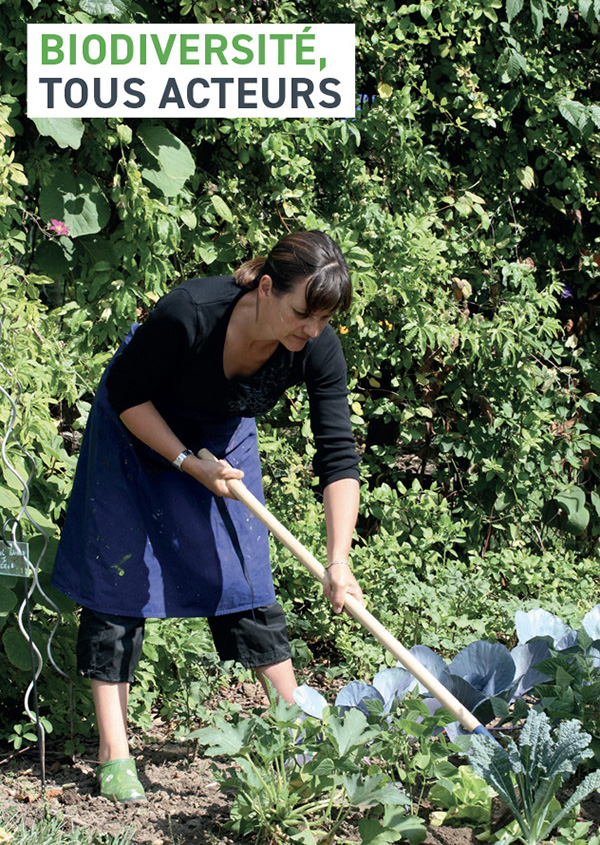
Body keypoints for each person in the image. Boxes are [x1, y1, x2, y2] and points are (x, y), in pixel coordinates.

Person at [51, 230, 362, 803]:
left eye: (324, 319)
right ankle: (114, 752)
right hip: (136, 426)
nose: (313, 330)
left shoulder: (315, 348)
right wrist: (186, 463)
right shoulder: (191, 312)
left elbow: (338, 455)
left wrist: (338, 561)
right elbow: (126, 395)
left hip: (220, 437)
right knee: (120, 581)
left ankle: (295, 736)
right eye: (303, 314)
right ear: (265, 288)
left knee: (244, 579)